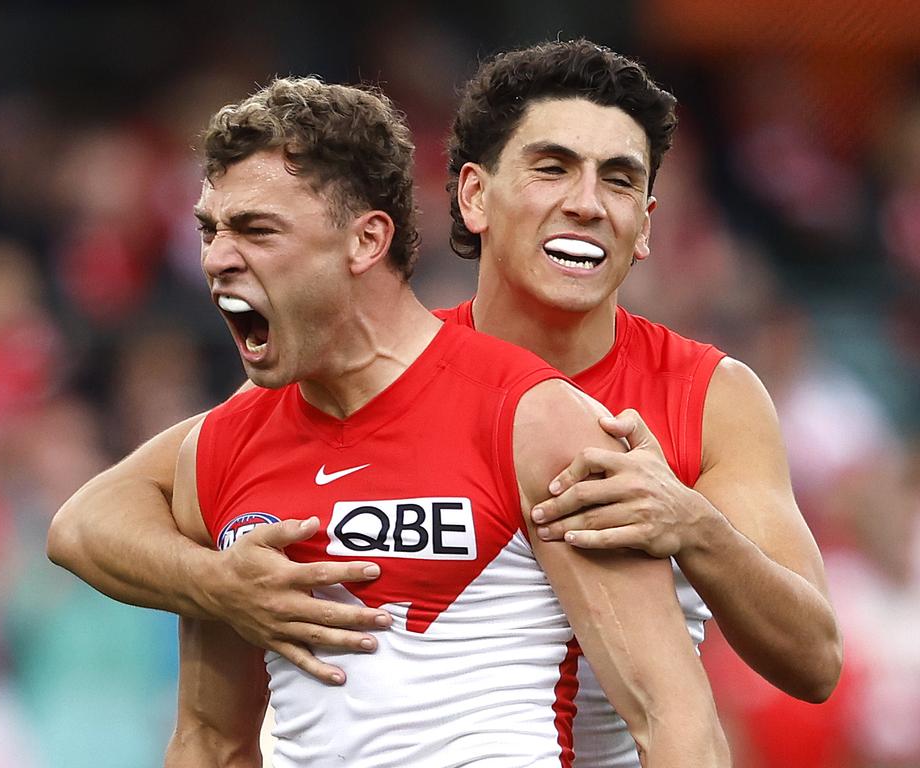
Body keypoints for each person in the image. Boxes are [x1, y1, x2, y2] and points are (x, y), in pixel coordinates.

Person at [48, 39, 841, 766]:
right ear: (473, 197)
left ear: (644, 226)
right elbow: (93, 522)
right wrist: (217, 583)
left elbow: (809, 664)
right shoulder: (371, 372)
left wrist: (697, 528)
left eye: (621, 180)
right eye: (553, 168)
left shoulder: (701, 396)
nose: (588, 203)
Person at [154, 76, 728, 766]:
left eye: (256, 230)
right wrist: (209, 580)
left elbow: (673, 715)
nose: (216, 258)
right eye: (210, 230)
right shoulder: (218, 446)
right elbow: (209, 742)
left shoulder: (537, 420)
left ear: (366, 241)